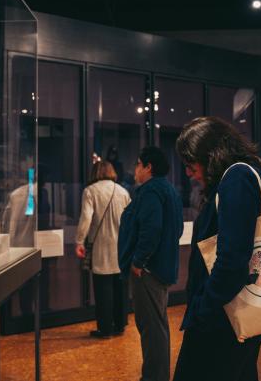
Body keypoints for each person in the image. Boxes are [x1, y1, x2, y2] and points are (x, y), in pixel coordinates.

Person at [173, 116, 261, 381]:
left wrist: (203, 308)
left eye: (190, 162)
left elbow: (232, 260)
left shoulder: (237, 178)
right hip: (234, 313)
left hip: (224, 319)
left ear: (211, 154)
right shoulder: (243, 175)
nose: (188, 171)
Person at [118, 146, 183, 381]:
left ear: (148, 167)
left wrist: (138, 261)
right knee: (157, 325)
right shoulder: (169, 190)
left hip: (148, 271)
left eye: (138, 164)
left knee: (151, 328)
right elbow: (177, 229)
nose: (134, 169)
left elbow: (151, 229)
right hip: (161, 268)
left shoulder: (151, 191)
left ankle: (154, 377)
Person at [75, 160, 131, 338]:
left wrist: (79, 241)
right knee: (120, 287)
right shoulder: (123, 191)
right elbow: (130, 219)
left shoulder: (90, 191)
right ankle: (120, 324)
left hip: (101, 247)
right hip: (121, 247)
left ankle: (105, 328)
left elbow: (86, 217)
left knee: (103, 289)